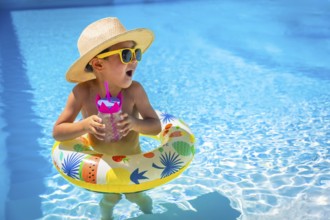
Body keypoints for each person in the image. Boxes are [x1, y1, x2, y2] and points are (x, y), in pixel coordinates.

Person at [52, 17, 161, 220]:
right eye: (126, 54)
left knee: (138, 197)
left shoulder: (135, 91)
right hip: (103, 167)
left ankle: (149, 214)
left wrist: (135, 123)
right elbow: (58, 131)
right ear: (98, 64)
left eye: (136, 53)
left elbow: (155, 127)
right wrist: (84, 125)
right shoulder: (82, 93)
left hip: (132, 164)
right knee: (109, 199)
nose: (134, 60)